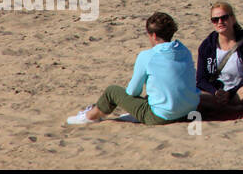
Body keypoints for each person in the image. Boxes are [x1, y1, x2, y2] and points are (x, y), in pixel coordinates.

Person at [66, 12, 199, 125]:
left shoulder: (148, 56)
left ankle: (89, 116)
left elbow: (133, 91)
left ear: (153, 35)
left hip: (162, 116)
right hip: (189, 111)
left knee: (112, 91)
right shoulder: (184, 50)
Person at [196, 2, 243, 116]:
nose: (220, 22)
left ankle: (226, 107)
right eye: (215, 20)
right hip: (216, 94)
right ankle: (235, 108)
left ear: (233, 19)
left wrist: (230, 93)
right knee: (192, 95)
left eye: (224, 18)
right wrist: (215, 92)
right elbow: (201, 79)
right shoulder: (207, 46)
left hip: (239, 92)